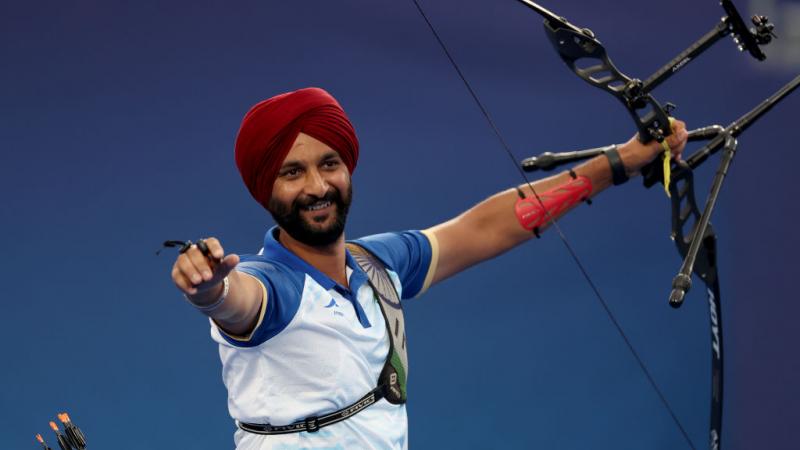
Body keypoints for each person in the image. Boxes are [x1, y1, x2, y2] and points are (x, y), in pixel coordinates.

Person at [170, 87, 688, 449]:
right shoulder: (272, 286)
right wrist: (210, 289)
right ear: (267, 190)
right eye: (292, 172)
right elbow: (237, 301)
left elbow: (484, 228)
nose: (317, 186)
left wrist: (619, 162)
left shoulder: (378, 264)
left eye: (330, 164)